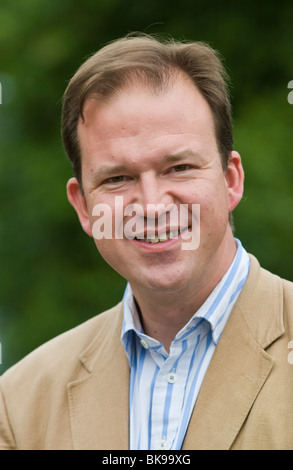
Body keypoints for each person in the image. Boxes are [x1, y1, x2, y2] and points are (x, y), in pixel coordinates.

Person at [0, 34, 293, 451]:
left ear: (231, 180)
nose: (152, 206)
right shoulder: (20, 403)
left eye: (179, 167)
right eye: (117, 178)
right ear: (83, 205)